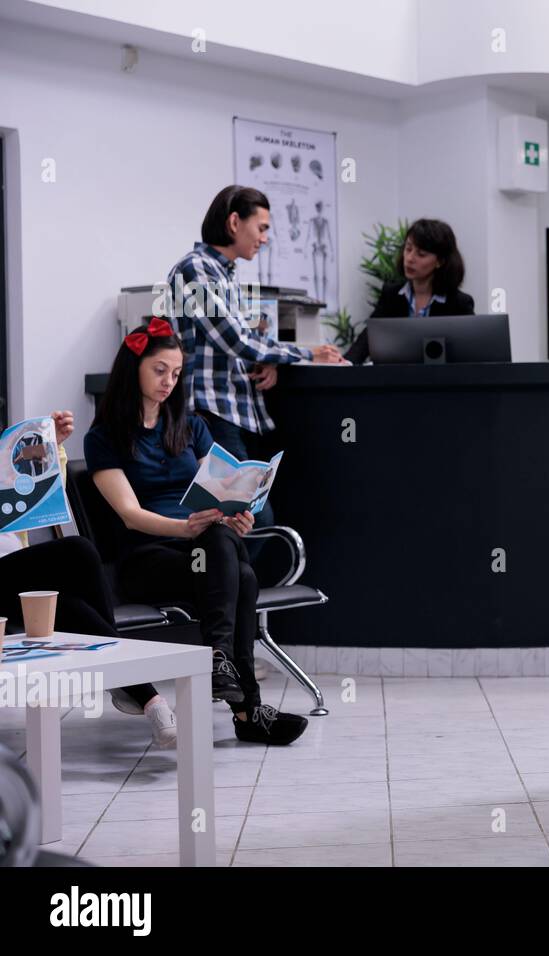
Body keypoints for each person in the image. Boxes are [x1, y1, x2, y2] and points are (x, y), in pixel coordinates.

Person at [83, 320, 308, 745]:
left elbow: (221, 491)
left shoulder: (190, 427)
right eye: (159, 370)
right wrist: (186, 527)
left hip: (201, 554)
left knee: (230, 550)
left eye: (176, 372)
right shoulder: (104, 438)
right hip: (147, 557)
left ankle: (223, 666)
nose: (169, 381)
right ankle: (246, 709)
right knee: (236, 570)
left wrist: (234, 515)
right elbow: (130, 515)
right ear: (133, 370)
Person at [164, 185, 345, 558]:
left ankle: (241, 607)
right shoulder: (194, 271)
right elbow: (235, 339)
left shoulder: (225, 274)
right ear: (234, 222)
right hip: (211, 413)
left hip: (235, 413)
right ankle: (234, 610)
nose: (264, 238)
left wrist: (270, 361)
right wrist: (307, 354)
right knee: (250, 522)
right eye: (261, 228)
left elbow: (240, 345)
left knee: (249, 522)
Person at [0, 411, 177, 749]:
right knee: (78, 550)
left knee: (70, 604)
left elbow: (41, 502)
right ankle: (125, 676)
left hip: (12, 572)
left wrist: (52, 449)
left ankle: (147, 698)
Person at [344, 219, 475, 364]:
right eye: (408, 249)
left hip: (441, 382)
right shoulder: (392, 294)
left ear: (440, 261)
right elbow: (369, 337)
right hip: (397, 381)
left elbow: (471, 353)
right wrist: (346, 364)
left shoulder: (458, 303)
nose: (410, 258)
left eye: (421, 254)